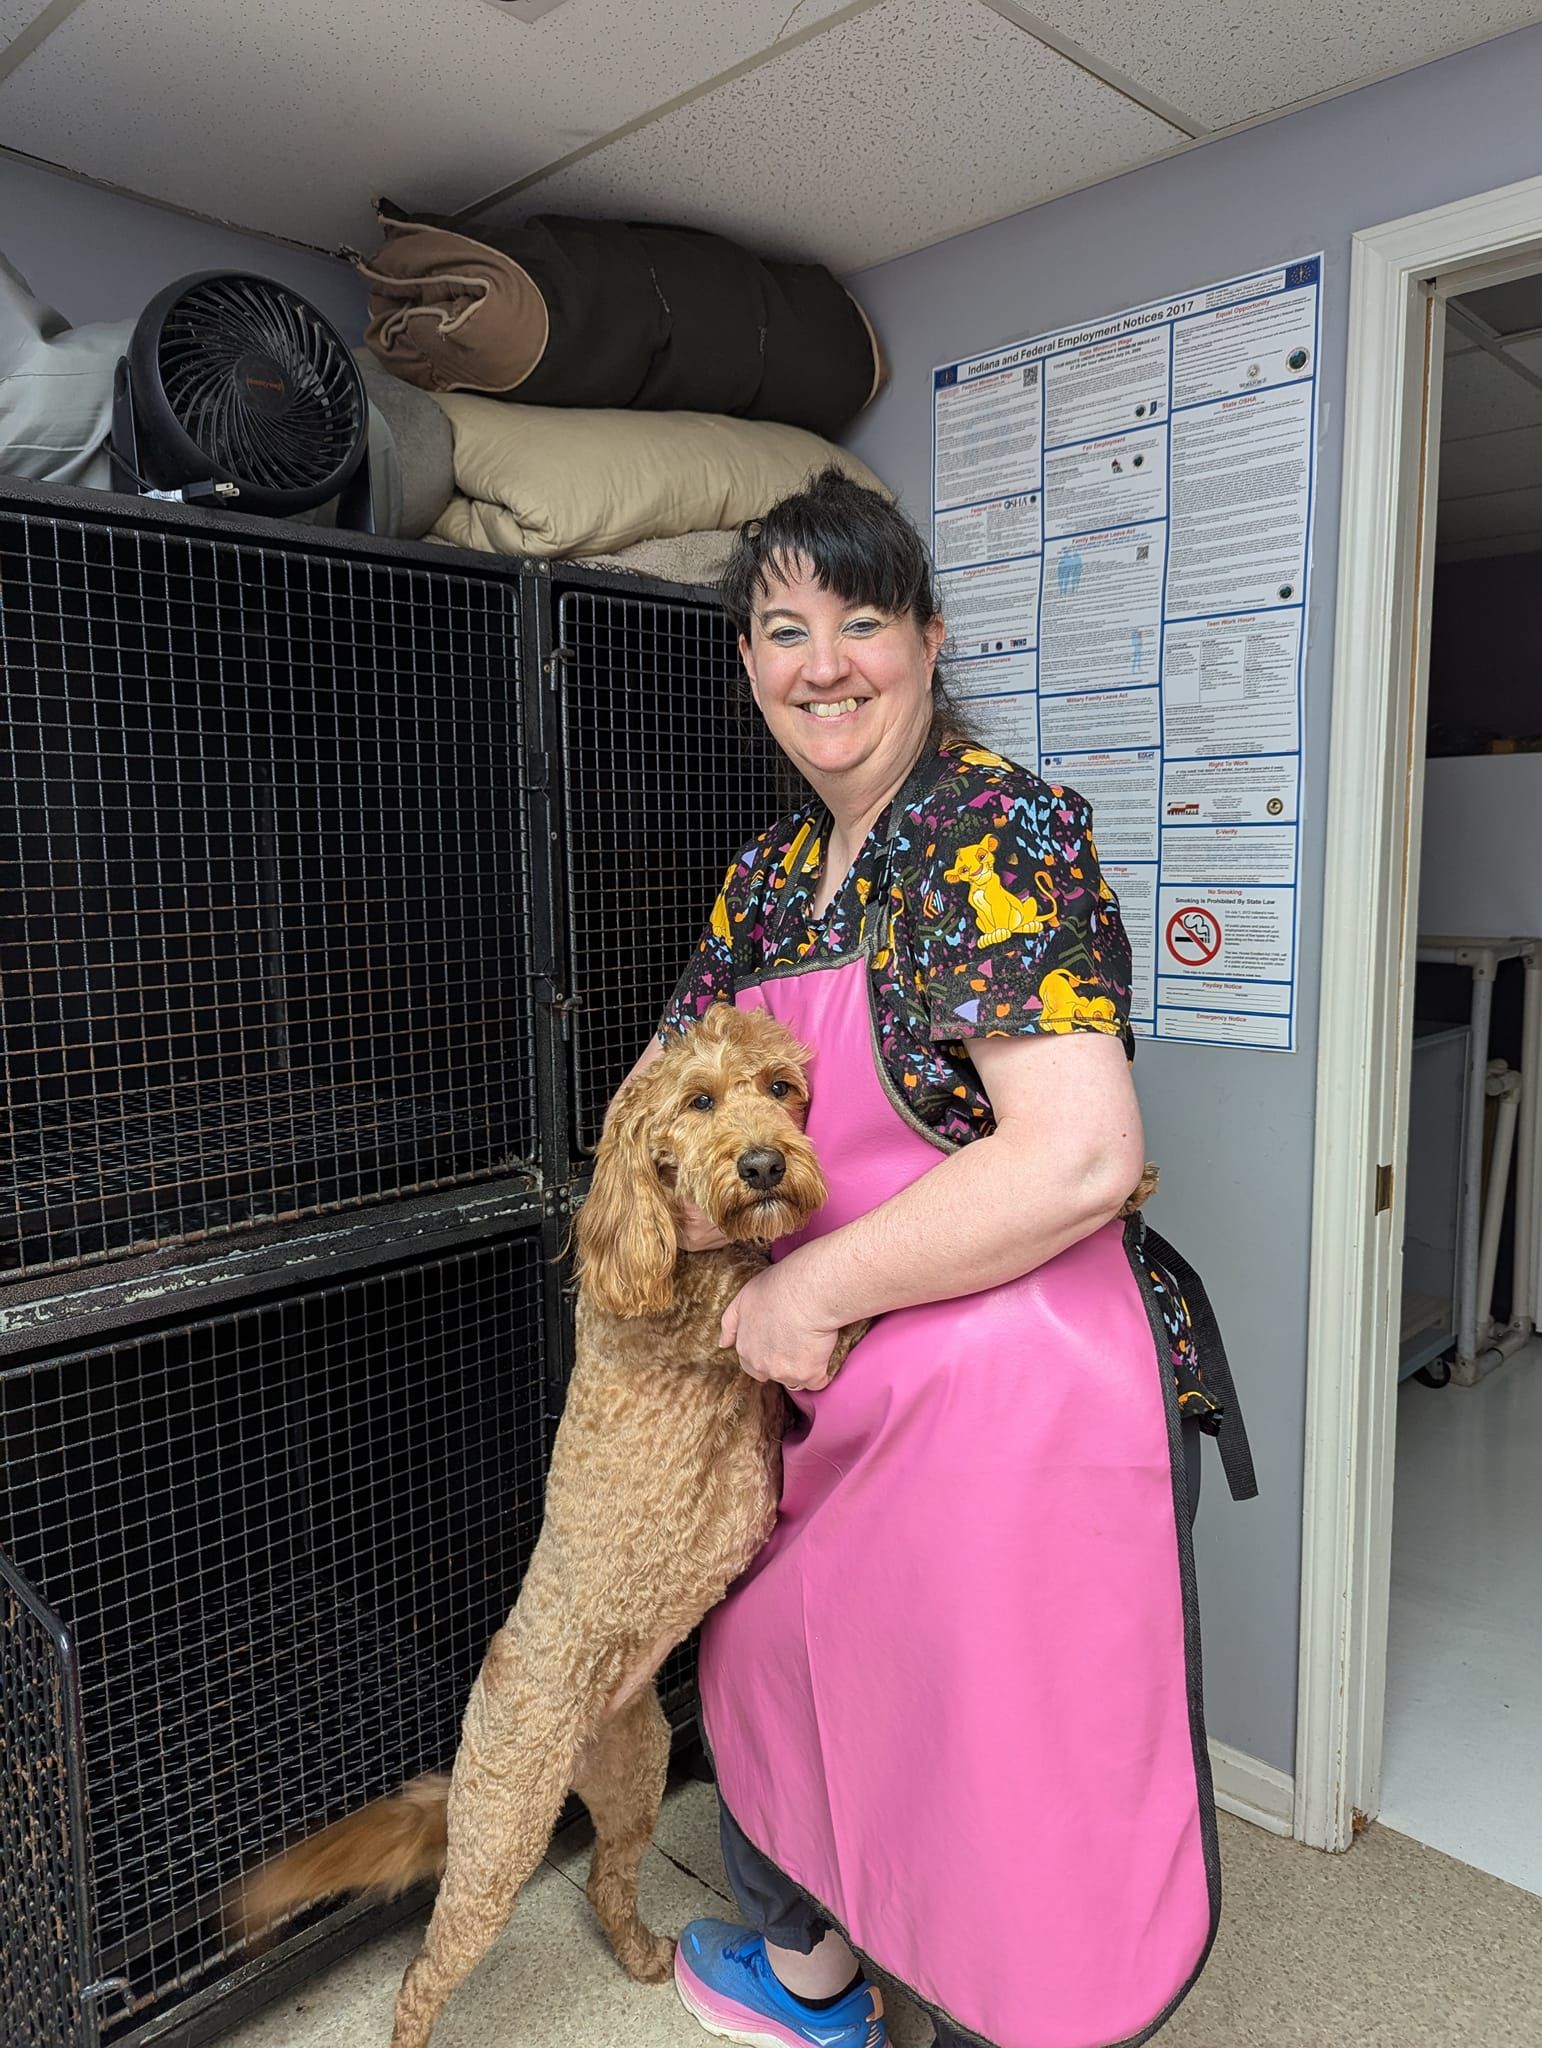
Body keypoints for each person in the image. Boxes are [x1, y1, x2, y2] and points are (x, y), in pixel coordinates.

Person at [613, 469, 1253, 2048]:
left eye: (858, 621)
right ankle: (822, 1971)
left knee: (992, 1782)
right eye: (780, 628)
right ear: (748, 663)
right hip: (836, 1387)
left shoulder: (992, 825)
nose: (819, 661)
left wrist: (805, 1286)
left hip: (1022, 1389)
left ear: (925, 640)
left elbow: (1075, 1155)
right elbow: (664, 1103)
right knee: (774, 1658)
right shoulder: (766, 880)